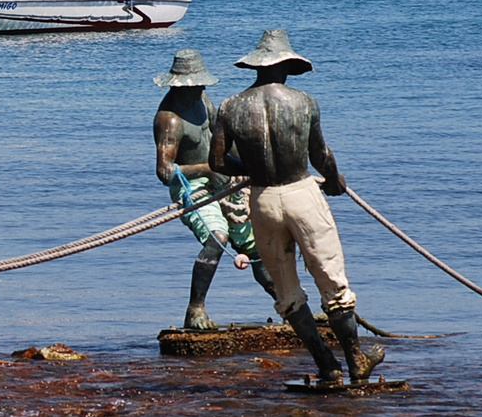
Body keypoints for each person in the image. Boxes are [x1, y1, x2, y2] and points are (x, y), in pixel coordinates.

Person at [209, 30, 384, 386]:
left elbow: (217, 161)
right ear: (286, 65)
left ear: (257, 66)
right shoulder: (303, 102)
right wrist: (334, 180)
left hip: (263, 200)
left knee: (286, 290)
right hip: (302, 193)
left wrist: (252, 169)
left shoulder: (230, 106)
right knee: (332, 282)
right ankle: (355, 360)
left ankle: (326, 364)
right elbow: (320, 155)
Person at [152, 49, 277, 331]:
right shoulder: (169, 120)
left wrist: (249, 165)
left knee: (256, 245)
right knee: (218, 236)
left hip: (222, 176)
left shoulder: (203, 101)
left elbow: (218, 141)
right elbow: (165, 172)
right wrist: (209, 170)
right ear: (180, 85)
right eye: (196, 84)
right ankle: (195, 309)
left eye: (202, 83)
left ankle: (288, 303)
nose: (202, 87)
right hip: (192, 185)